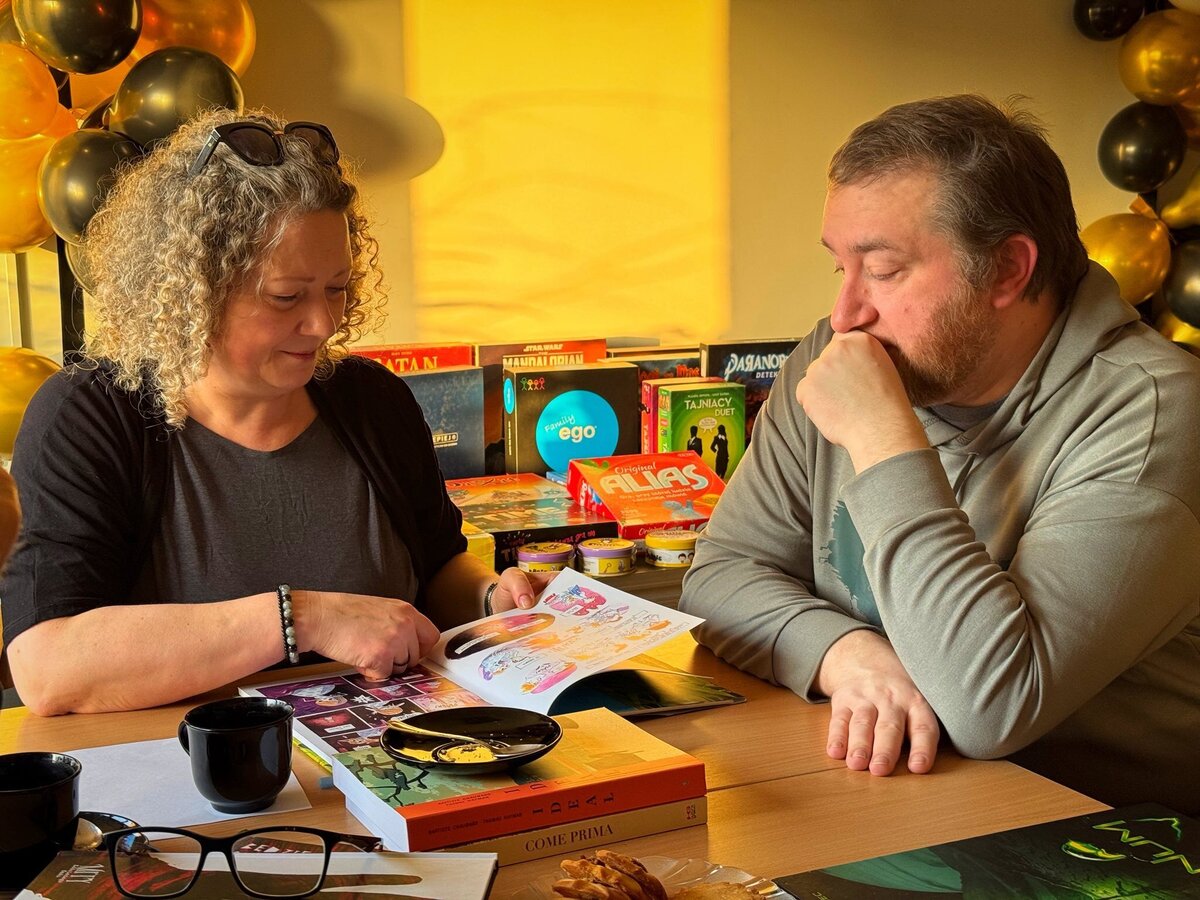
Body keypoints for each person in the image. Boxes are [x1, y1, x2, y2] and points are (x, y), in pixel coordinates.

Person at [679, 94, 1200, 814]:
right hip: (897, 798)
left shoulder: (1156, 414)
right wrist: (847, 656)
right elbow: (719, 576)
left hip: (1109, 836)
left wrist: (883, 440)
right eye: (839, 267)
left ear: (1007, 269)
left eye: (884, 269)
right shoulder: (841, 355)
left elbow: (991, 707)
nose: (845, 315)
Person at [0, 108, 550, 717]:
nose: (324, 323)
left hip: (385, 755)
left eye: (337, 288)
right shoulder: (88, 417)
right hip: (192, 767)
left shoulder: (372, 401)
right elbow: (47, 669)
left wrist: (491, 599)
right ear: (195, 289)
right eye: (286, 296)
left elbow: (438, 565)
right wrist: (302, 618)